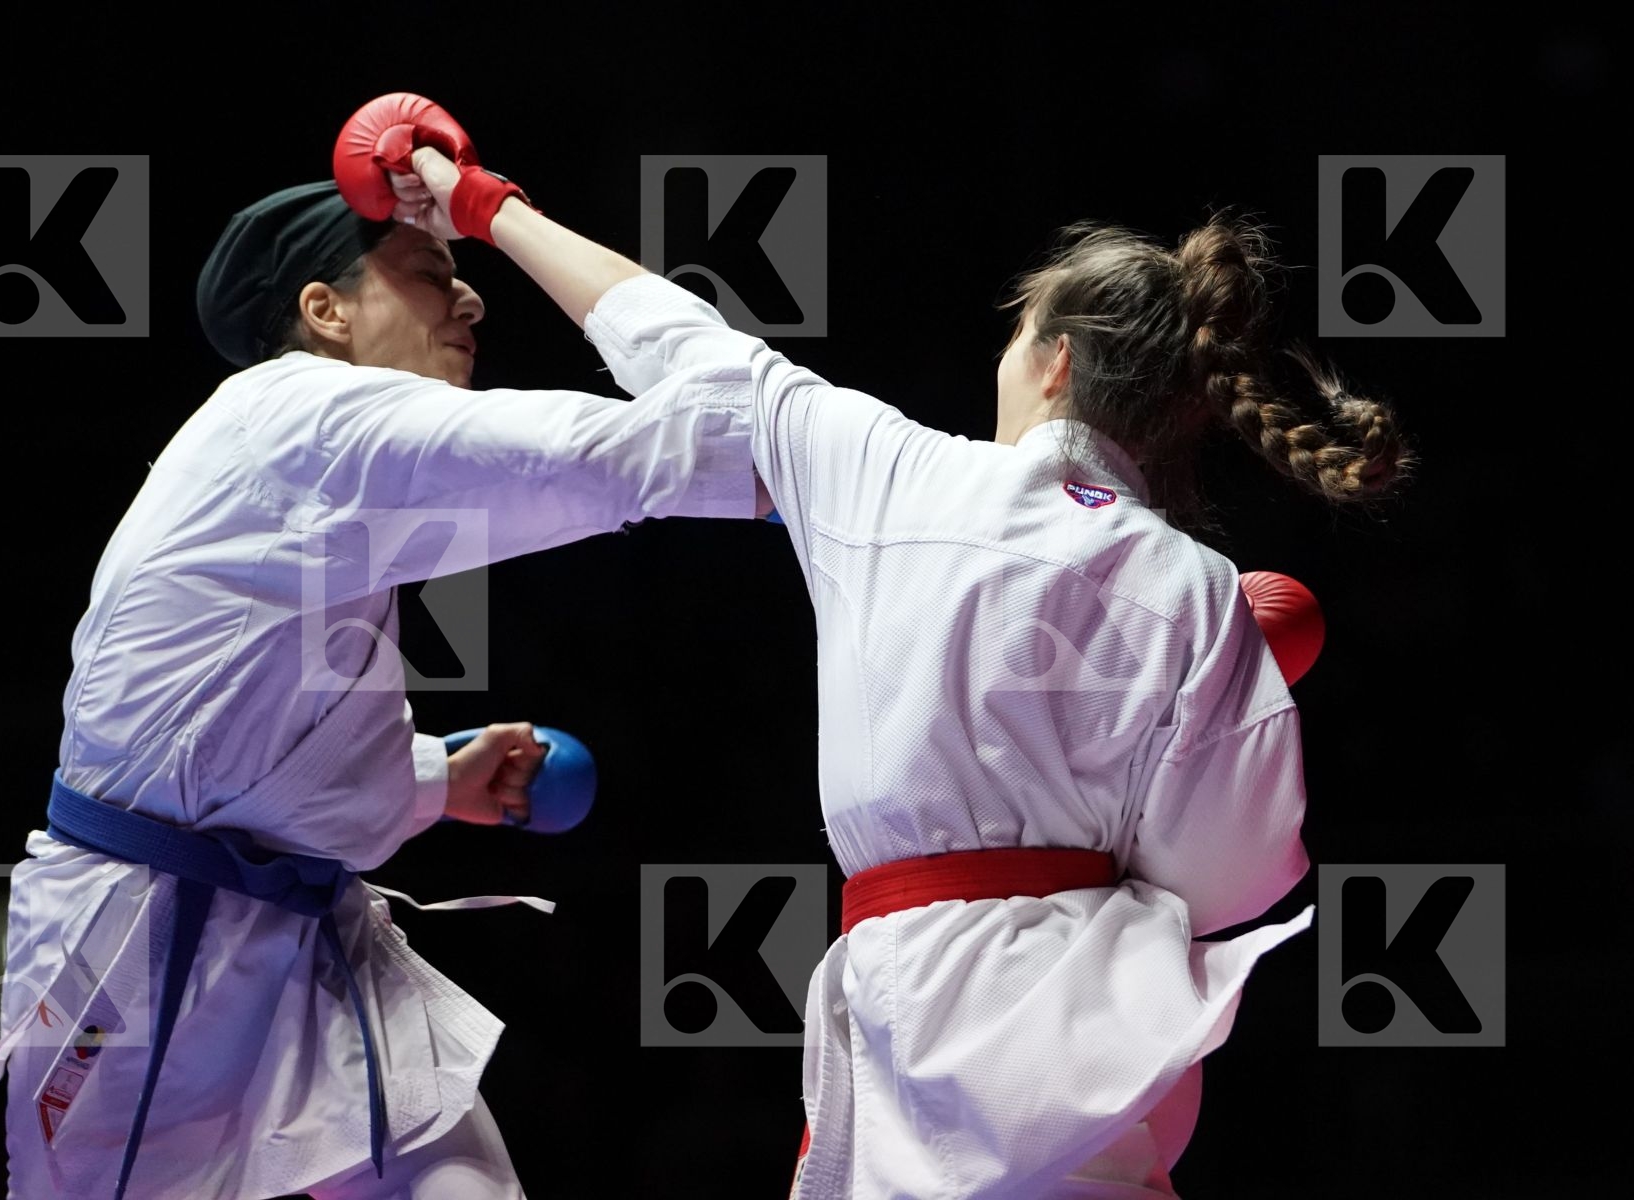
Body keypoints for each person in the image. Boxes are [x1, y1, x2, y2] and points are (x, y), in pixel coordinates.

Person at [390, 128, 1412, 1198]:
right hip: (1090, 1033)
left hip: (910, 996)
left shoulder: (897, 477)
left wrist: (485, 207)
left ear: (1055, 358)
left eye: (1018, 334)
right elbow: (1229, 874)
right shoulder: (1194, 584)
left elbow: (674, 338)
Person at [0, 164, 769, 1200]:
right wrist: (813, 465)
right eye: (431, 270)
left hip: (314, 938)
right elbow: (607, 457)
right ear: (324, 309)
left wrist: (440, 778)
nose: (470, 298)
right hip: (142, 947)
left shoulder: (315, 458)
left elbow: (250, 744)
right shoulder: (302, 420)